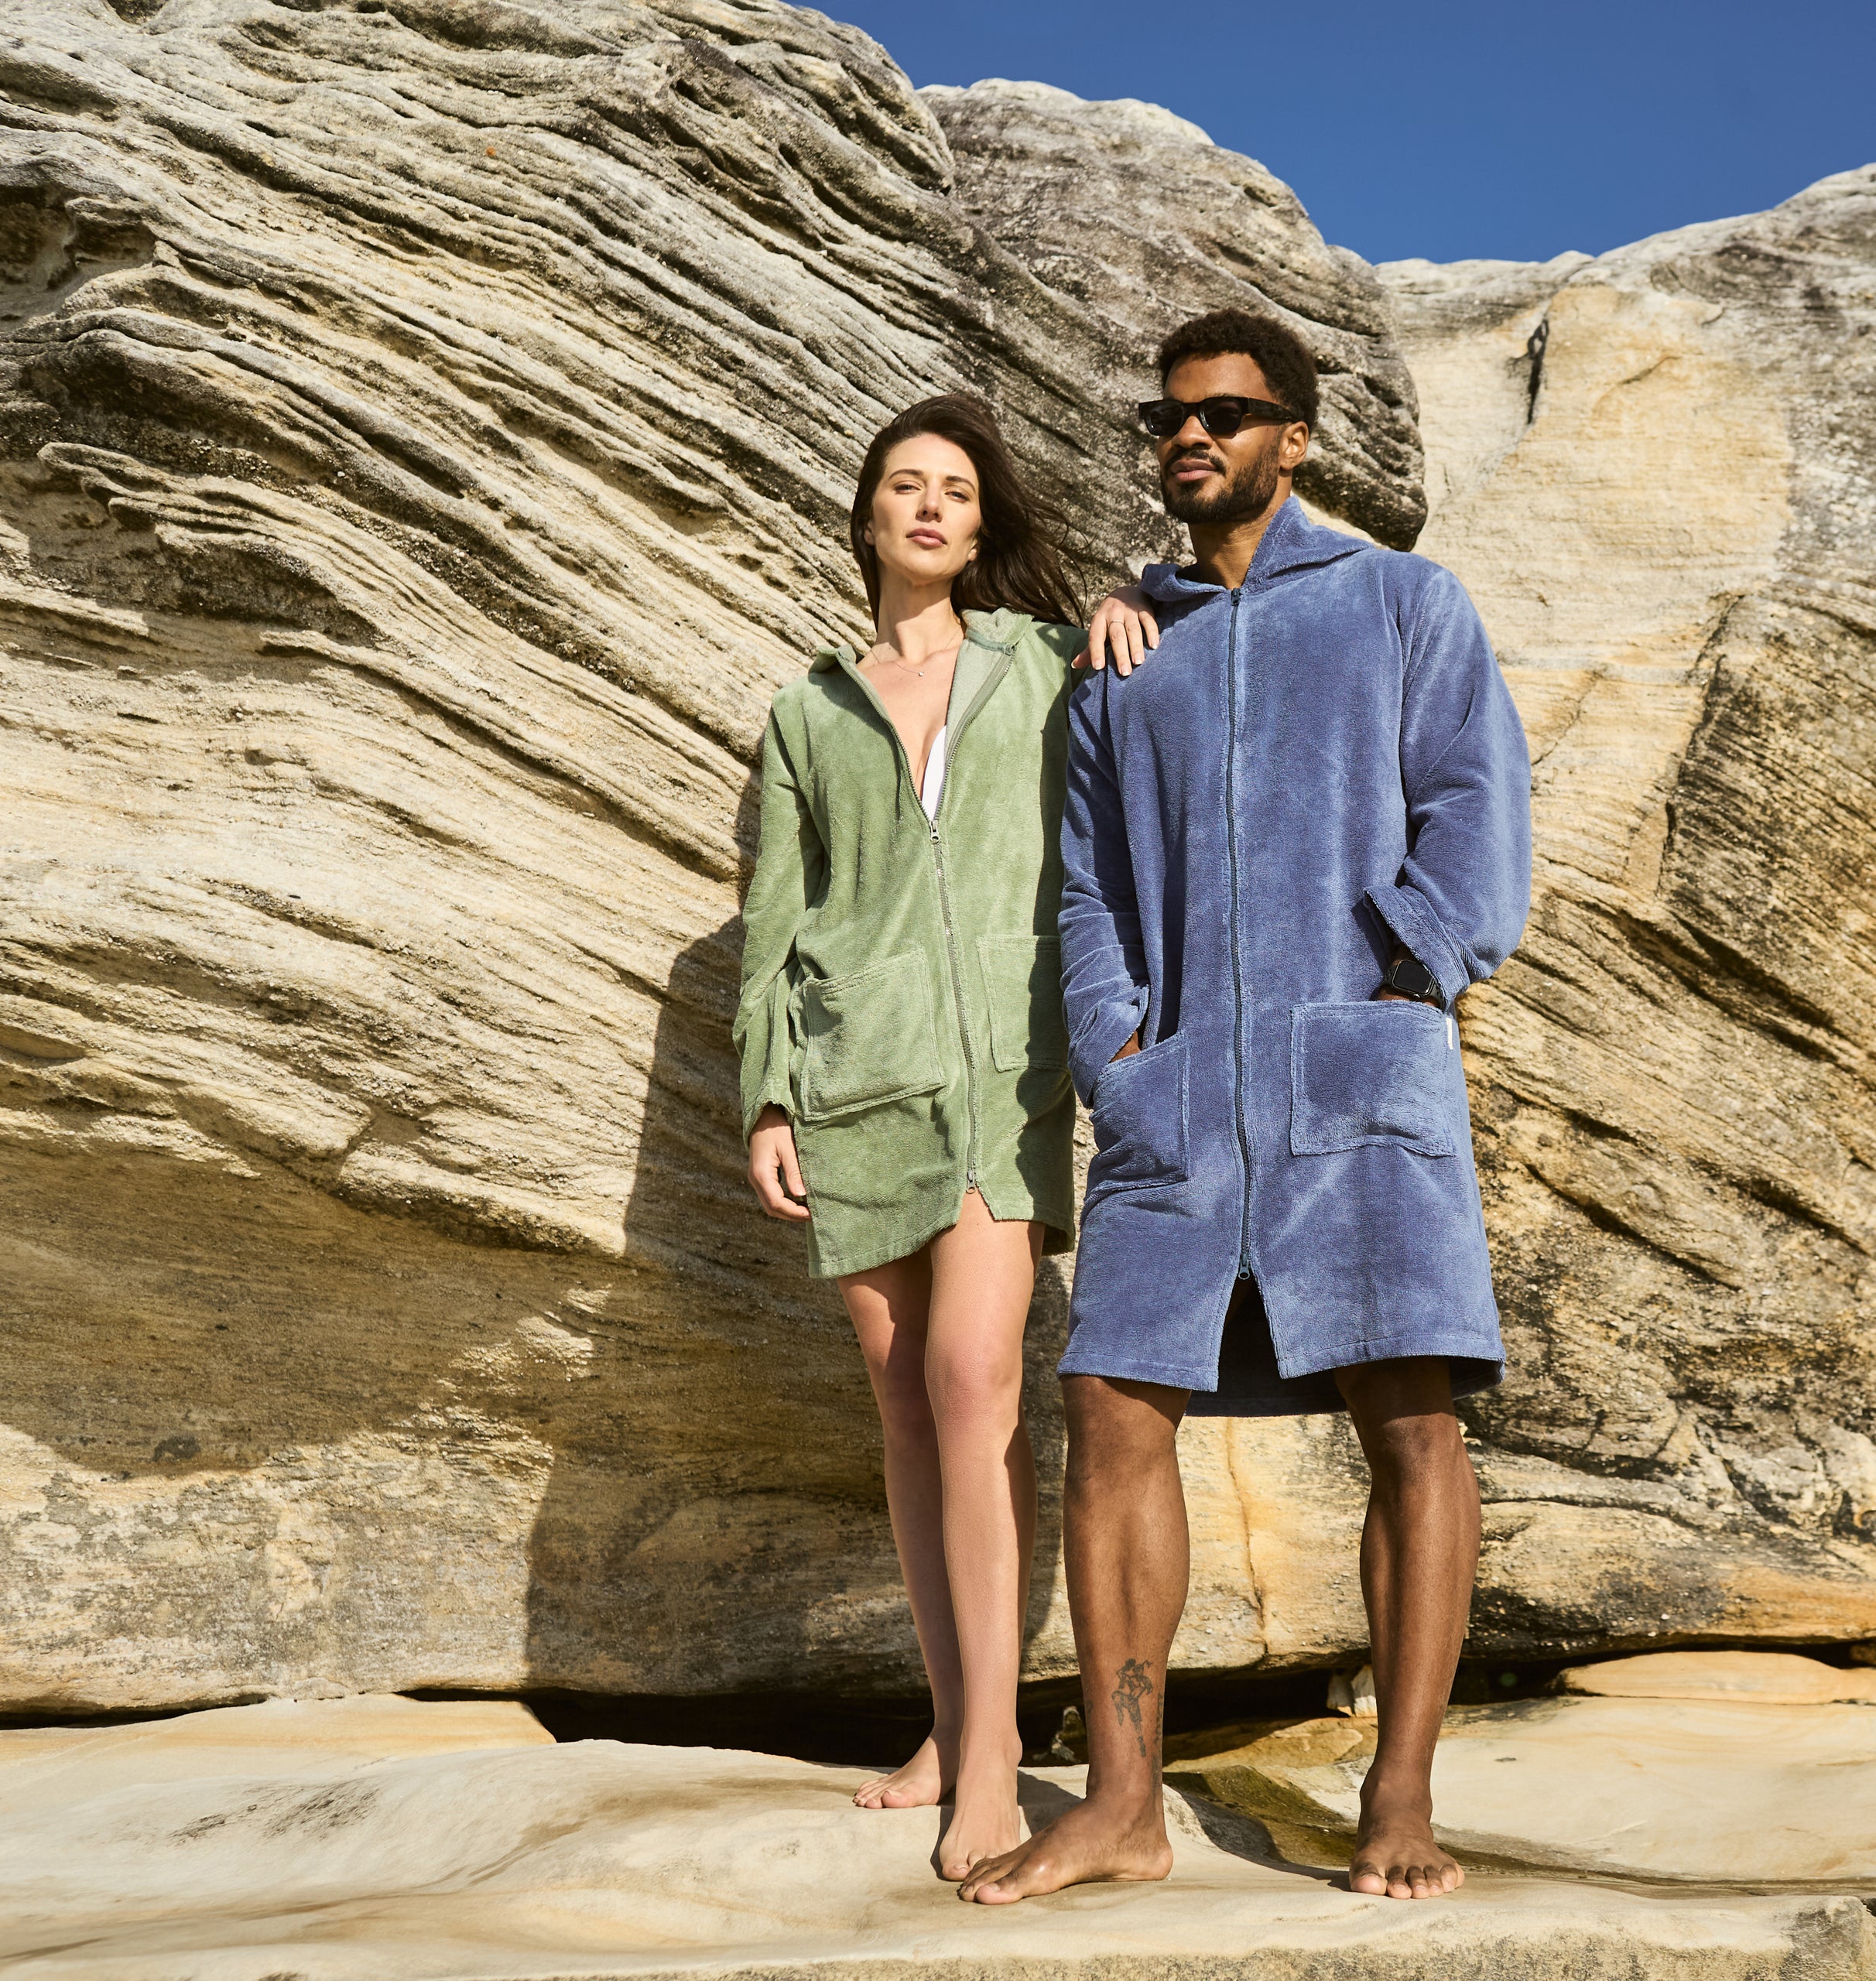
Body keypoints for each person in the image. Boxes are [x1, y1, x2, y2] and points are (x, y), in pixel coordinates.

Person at [957, 311, 1533, 1906]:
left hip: (1361, 1076)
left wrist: (1405, 975)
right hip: (1175, 1098)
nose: (1190, 435)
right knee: (1110, 1408)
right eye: (1170, 417)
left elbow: (1477, 813)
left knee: (1410, 1415)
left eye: (1225, 412)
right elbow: (1085, 883)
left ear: (1296, 436)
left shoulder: (1403, 602)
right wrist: (1116, 1041)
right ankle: (1124, 1802)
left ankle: (1399, 1789)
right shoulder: (1124, 653)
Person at [734, 394, 1111, 1882]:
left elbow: (1151, 680)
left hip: (1003, 1079)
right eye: (907, 484)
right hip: (855, 1083)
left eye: (957, 487)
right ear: (870, 517)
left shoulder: (1041, 662)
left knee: (972, 1382)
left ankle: (999, 1759)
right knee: (906, 1410)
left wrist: (1130, 602)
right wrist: (768, 1096)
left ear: (980, 521)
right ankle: (950, 1726)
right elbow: (776, 921)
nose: (934, 505)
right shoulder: (807, 710)